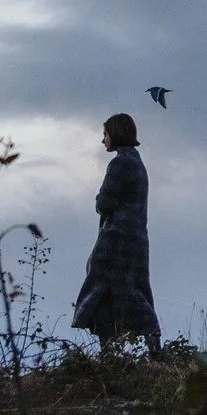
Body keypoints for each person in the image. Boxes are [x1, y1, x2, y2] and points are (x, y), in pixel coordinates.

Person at [72, 112, 160, 354]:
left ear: (116, 134)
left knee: (100, 293)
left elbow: (104, 203)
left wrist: (99, 199)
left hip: (115, 241)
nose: (103, 140)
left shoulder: (120, 163)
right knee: (134, 293)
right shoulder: (137, 163)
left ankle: (109, 352)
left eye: (105, 134)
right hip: (135, 241)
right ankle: (151, 349)